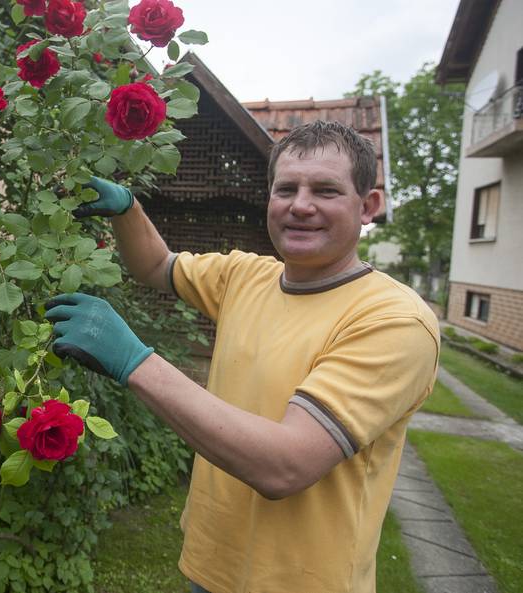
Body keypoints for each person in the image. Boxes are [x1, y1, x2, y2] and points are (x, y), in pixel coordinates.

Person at [44, 120, 439, 593]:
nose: (301, 205)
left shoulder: (393, 321)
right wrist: (128, 210)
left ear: (368, 206)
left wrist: (134, 361)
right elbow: (155, 265)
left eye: (327, 190)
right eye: (286, 188)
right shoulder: (245, 276)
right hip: (210, 564)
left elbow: (285, 465)